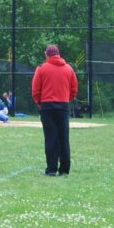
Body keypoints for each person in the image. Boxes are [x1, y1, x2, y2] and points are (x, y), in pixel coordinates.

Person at [32, 44, 78, 177]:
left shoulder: (41, 69)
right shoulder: (69, 69)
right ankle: (64, 170)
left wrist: (40, 103)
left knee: (51, 138)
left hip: (47, 106)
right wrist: (66, 100)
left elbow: (36, 90)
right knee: (64, 138)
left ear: (47, 54)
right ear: (58, 54)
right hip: (63, 106)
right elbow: (74, 89)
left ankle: (51, 169)